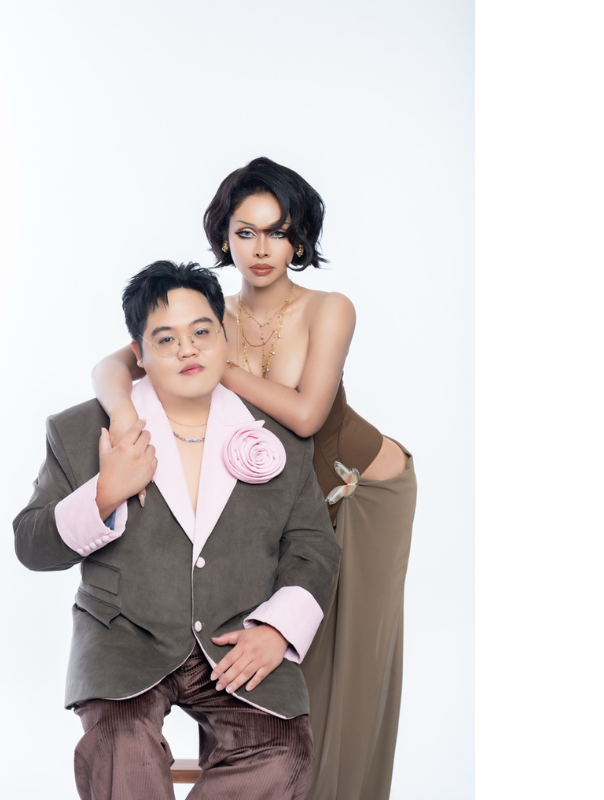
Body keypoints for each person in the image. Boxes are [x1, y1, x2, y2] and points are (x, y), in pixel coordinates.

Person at [91, 158, 418, 800]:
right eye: (246, 232)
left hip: (361, 489)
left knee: (344, 667)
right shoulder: (211, 315)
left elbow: (307, 414)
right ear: (225, 237)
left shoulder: (328, 309)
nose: (262, 249)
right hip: (279, 500)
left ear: (300, 239)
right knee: (250, 654)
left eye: (278, 232)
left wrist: (213, 365)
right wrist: (125, 412)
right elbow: (112, 363)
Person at [14, 260, 341, 800]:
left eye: (201, 332)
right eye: (166, 339)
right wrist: (105, 491)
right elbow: (31, 546)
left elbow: (313, 546)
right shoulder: (80, 429)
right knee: (120, 748)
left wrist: (276, 630)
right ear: (138, 354)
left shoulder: (279, 436)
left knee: (284, 753)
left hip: (236, 639)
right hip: (123, 637)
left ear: (224, 336)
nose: (188, 349)